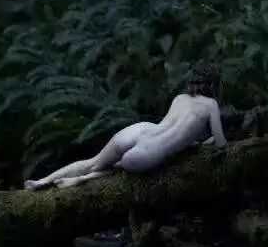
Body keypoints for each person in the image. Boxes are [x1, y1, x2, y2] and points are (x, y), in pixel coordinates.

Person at [24, 61, 227, 191]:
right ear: (213, 84)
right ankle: (84, 179)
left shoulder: (179, 98)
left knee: (93, 161)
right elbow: (221, 144)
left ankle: (41, 181)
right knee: (118, 169)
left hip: (141, 130)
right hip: (149, 152)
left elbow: (171, 128)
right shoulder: (211, 105)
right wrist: (207, 142)